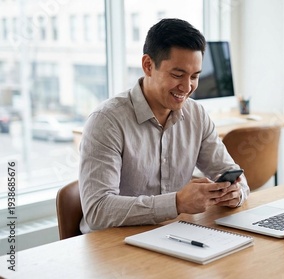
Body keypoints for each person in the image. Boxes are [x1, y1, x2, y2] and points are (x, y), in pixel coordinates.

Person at [78, 18, 249, 234]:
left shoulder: (196, 114)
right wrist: (175, 204)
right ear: (148, 65)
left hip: (172, 237)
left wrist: (236, 193)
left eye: (195, 76)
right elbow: (97, 211)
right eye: (177, 75)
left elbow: (232, 173)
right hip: (114, 247)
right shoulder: (106, 121)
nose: (187, 87)